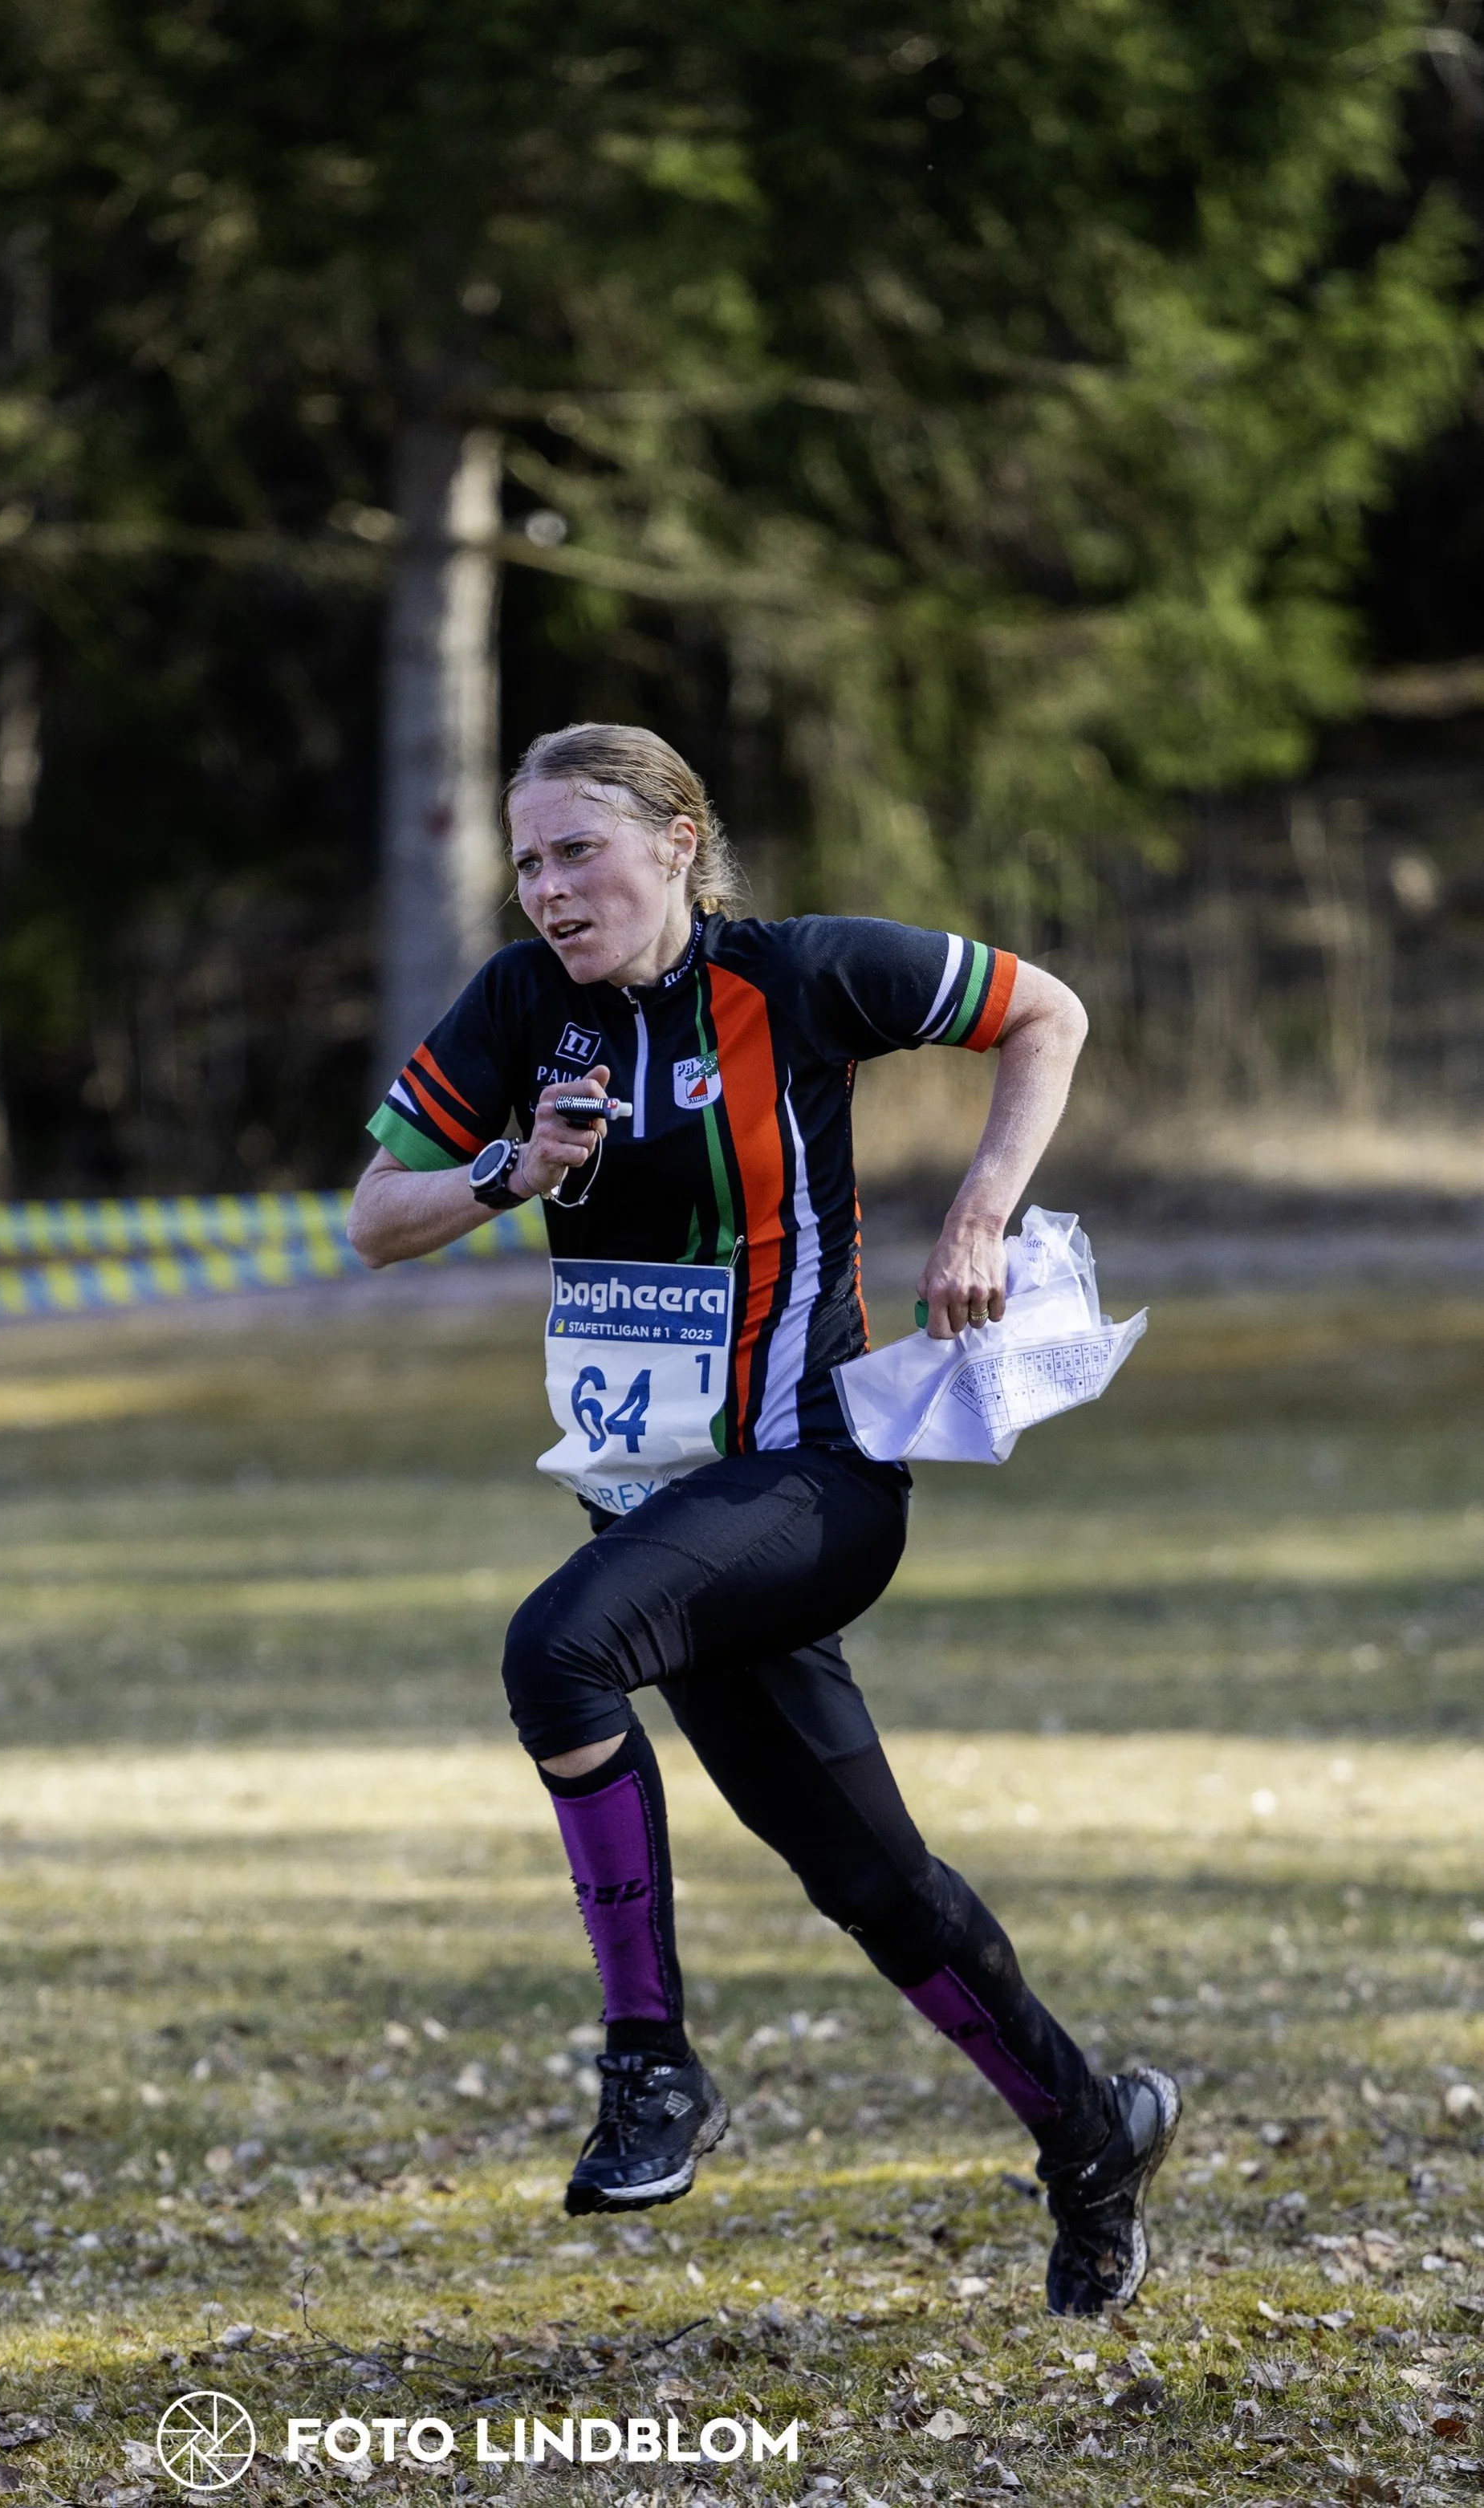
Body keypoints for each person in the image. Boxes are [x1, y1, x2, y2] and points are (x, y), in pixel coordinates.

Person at [347, 722, 1178, 2318]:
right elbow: (374, 1214)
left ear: (675, 839)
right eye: (524, 860)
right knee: (871, 1882)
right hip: (653, 1520)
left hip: (809, 1484)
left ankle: (648, 2064)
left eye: (575, 849)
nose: (546, 888)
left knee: (555, 1651)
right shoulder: (521, 1008)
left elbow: (1043, 1013)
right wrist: (508, 1170)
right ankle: (1091, 2132)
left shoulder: (794, 976)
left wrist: (982, 1206)